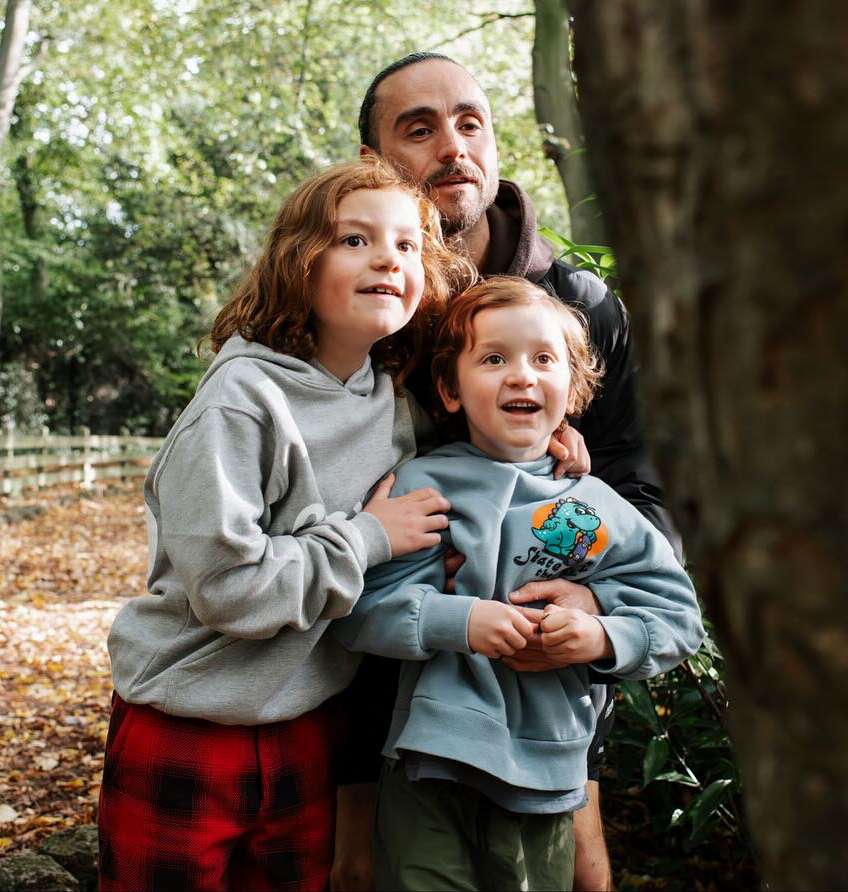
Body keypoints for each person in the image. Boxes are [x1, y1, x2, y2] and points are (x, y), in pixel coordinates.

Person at [333, 52, 682, 891]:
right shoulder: (361, 294)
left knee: (580, 876)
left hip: (545, 685)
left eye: (469, 121)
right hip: (383, 670)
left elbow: (641, 494)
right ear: (377, 164)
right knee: (360, 870)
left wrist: (593, 602)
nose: (452, 144)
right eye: (418, 129)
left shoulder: (579, 308)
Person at [96, 159, 473, 892]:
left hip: (307, 720)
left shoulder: (386, 398)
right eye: (355, 241)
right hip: (190, 717)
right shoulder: (240, 402)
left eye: (405, 246)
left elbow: (461, 468)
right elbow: (230, 591)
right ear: (300, 262)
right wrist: (368, 537)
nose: (387, 261)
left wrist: (541, 446)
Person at [331, 277, 705, 890]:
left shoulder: (596, 507)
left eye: (544, 359)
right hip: (434, 763)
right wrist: (460, 623)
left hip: (549, 775)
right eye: (495, 359)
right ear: (450, 389)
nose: (522, 376)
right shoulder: (422, 484)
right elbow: (359, 608)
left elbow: (677, 616)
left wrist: (600, 636)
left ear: (572, 388)